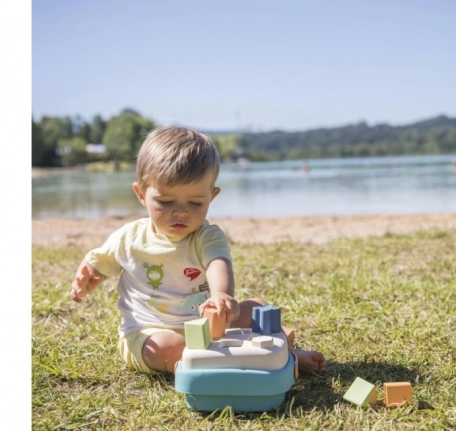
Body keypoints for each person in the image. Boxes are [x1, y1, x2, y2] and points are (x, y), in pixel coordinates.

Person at [69, 126, 326, 375]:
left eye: (195, 202)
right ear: (141, 194)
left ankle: (288, 354)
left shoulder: (206, 236)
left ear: (211, 197)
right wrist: (88, 278)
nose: (181, 211)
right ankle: (225, 364)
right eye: (166, 201)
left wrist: (222, 296)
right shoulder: (128, 238)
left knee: (257, 308)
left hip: (208, 326)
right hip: (148, 332)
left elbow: (218, 263)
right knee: (169, 348)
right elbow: (97, 263)